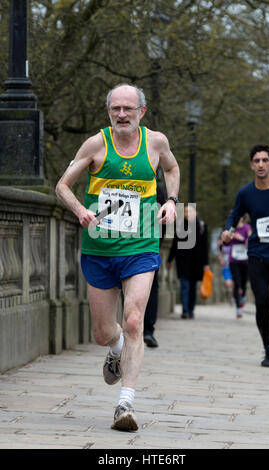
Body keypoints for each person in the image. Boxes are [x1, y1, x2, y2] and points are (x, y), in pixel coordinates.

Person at [55, 83, 180, 431]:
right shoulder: (97, 144)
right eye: (115, 109)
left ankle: (125, 403)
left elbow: (171, 168)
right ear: (109, 112)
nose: (121, 115)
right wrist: (80, 210)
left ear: (142, 111)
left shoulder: (156, 142)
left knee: (135, 318)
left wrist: (171, 201)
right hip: (99, 247)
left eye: (128, 109)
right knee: (101, 332)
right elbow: (62, 185)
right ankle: (115, 348)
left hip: (141, 245)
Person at [222, 144, 269, 367]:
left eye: (264, 160)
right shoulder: (246, 193)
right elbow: (234, 216)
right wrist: (228, 231)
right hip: (257, 255)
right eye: (256, 161)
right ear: (251, 165)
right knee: (260, 303)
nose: (260, 164)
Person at [167, 204, 209, 319]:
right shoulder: (180, 225)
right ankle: (185, 310)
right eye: (185, 212)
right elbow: (174, 244)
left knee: (193, 287)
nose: (187, 214)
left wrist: (206, 264)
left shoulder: (202, 226)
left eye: (190, 211)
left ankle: (191, 309)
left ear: (196, 213)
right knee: (184, 285)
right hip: (183, 261)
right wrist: (170, 260)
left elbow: (205, 247)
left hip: (197, 262)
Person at [143, 178, 167, 348]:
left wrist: (157, 243)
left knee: (151, 286)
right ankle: (142, 329)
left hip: (148, 244)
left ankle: (148, 330)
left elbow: (163, 219)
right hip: (122, 243)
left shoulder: (157, 187)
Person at [228, 216, 252, 318]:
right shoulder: (232, 228)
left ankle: (243, 297)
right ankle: (238, 308)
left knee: (243, 282)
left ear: (243, 217)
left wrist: (241, 238)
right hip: (233, 259)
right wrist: (229, 237)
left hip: (245, 259)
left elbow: (250, 241)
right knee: (236, 282)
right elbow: (225, 241)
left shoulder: (247, 228)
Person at [218, 236, 233, 303]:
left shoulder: (233, 243)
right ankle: (229, 293)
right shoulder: (222, 244)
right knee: (228, 283)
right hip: (226, 267)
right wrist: (221, 260)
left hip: (233, 266)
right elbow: (220, 253)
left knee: (233, 283)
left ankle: (232, 296)